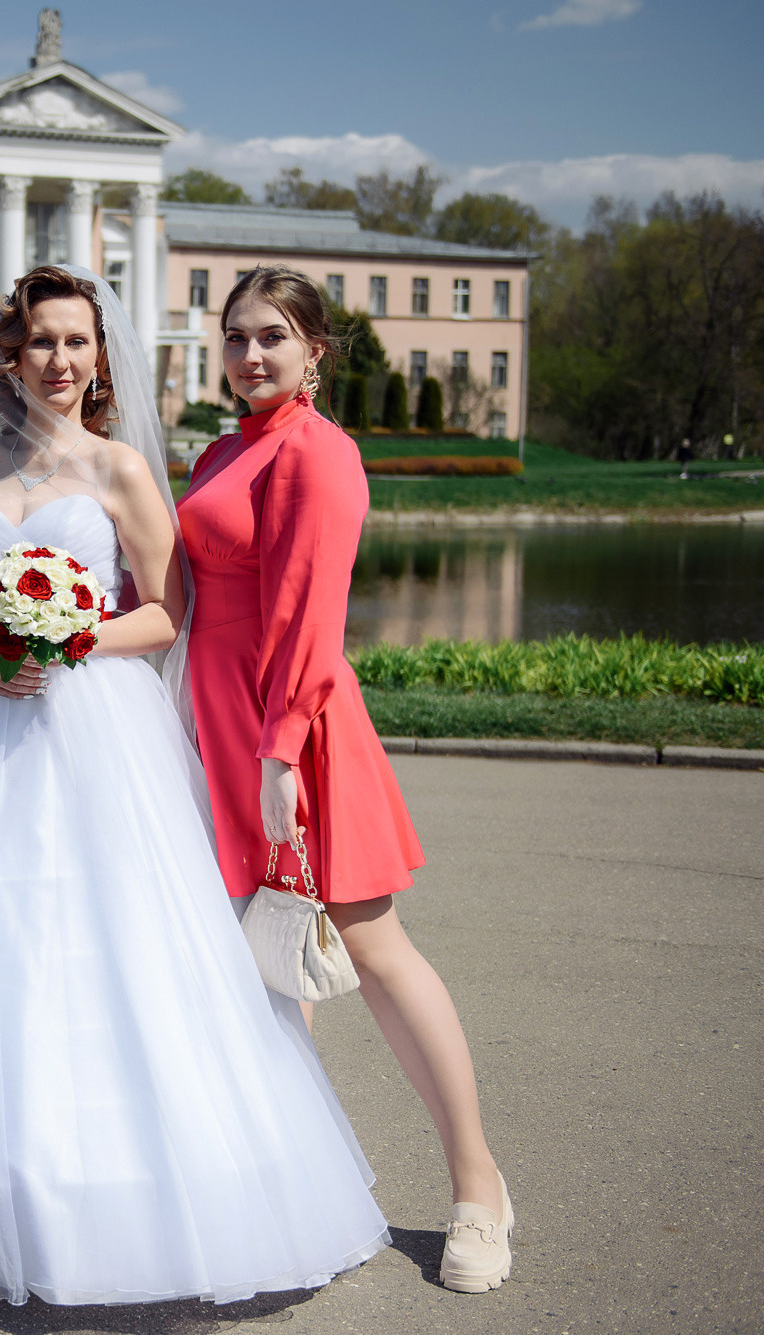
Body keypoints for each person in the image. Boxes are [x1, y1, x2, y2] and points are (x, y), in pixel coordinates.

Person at [0, 266, 389, 1308]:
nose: (58, 360)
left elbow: (164, 612)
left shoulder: (120, 472)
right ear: (6, 358)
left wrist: (70, 637)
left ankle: (129, 1185)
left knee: (112, 942)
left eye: (76, 342)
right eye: (39, 343)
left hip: (94, 726)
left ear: (99, 359)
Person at [176, 265, 514, 1294]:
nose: (248, 356)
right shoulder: (218, 449)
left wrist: (280, 754)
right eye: (233, 337)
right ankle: (287, 1177)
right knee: (263, 963)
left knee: (369, 950)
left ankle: (476, 1188)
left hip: (298, 732)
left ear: (316, 350)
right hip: (215, 727)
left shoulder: (320, 454)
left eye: (271, 337)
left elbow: (312, 622)